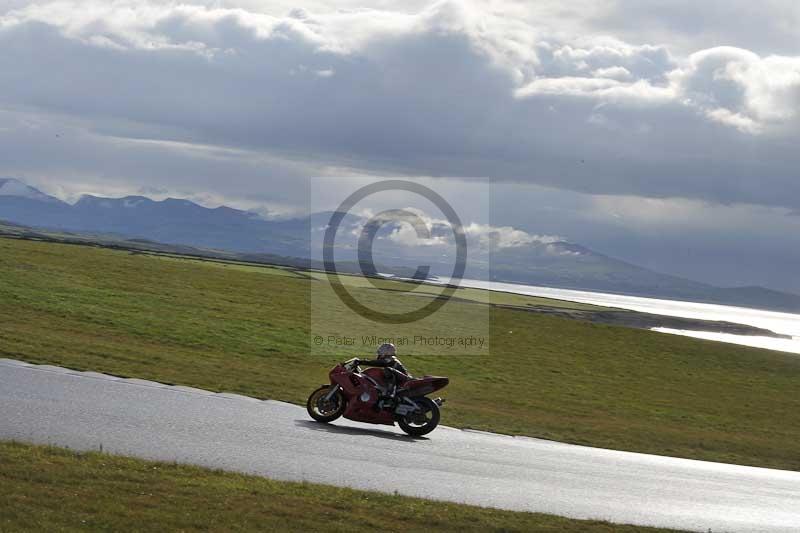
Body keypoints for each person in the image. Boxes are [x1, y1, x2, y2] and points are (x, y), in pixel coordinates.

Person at [353, 343, 410, 407]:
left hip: (405, 380)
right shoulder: (389, 359)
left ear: (386, 352)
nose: (379, 355)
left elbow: (378, 363)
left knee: (388, 370)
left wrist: (361, 362)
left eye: (380, 353)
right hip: (400, 380)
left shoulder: (391, 359)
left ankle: (390, 394)